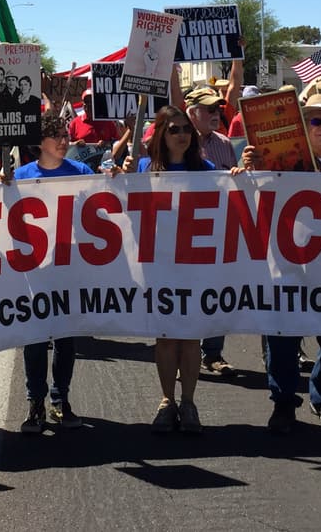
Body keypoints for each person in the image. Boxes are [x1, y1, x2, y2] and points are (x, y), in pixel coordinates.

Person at [243, 95, 321, 433]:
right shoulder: (280, 163)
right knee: (282, 333)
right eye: (317, 120)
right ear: (304, 125)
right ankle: (283, 402)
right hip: (287, 262)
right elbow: (250, 199)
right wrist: (250, 171)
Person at [123, 105, 218, 434]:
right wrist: (121, 177)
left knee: (190, 337)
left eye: (186, 130)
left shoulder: (205, 170)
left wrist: (242, 174)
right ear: (161, 134)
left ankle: (188, 401)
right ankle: (167, 401)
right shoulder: (144, 168)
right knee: (165, 337)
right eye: (175, 129)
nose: (182, 135)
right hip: (157, 264)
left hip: (194, 265)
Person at [9, 112, 95, 434]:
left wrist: (115, 176)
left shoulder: (82, 172)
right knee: (34, 339)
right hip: (35, 270)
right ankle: (35, 403)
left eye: (65, 134)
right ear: (39, 143)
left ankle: (61, 400)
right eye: (56, 135)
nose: (64, 140)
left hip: (70, 268)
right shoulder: (21, 175)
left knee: (65, 338)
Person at [181, 86, 238, 377]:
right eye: (209, 110)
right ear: (192, 114)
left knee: (217, 291)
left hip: (218, 228)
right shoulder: (176, 143)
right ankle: (183, 353)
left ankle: (212, 353)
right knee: (186, 293)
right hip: (184, 231)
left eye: (218, 109)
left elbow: (235, 183)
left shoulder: (225, 144)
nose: (216, 114)